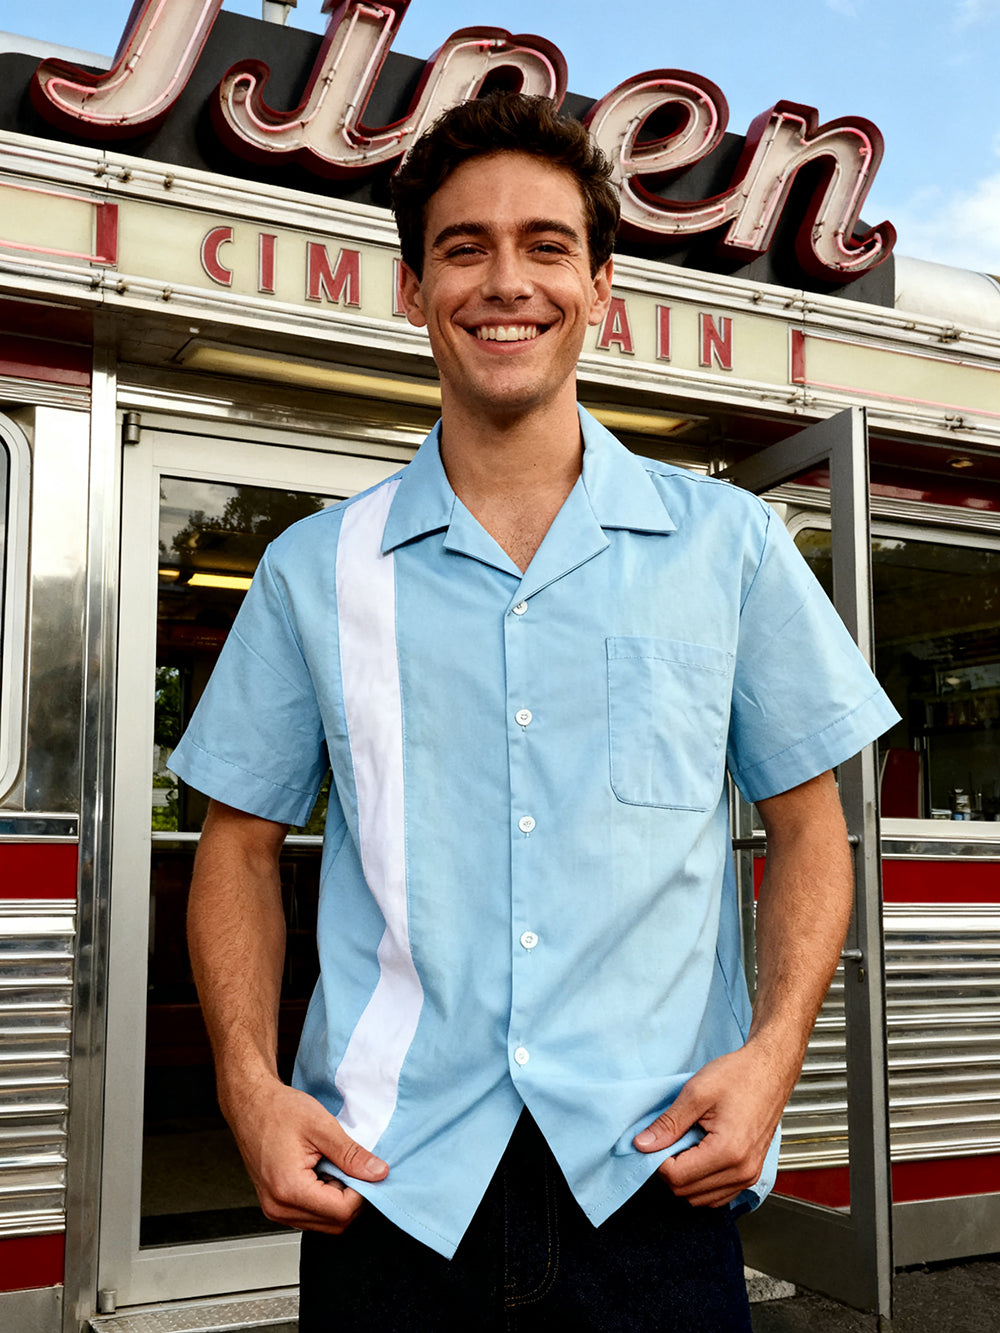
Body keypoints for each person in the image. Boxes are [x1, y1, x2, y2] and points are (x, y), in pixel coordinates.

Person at [170, 91, 899, 1330]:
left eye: (545, 246)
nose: (506, 282)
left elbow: (809, 828)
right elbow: (235, 849)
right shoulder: (312, 569)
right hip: (389, 1185)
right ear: (414, 290)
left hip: (653, 1178)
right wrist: (246, 1083)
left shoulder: (728, 545)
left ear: (600, 286)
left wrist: (772, 1059)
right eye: (464, 248)